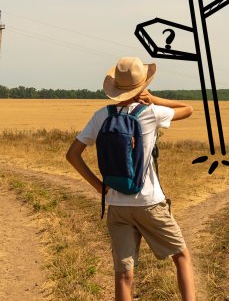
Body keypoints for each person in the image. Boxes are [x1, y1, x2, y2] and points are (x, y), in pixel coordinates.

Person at [66, 56, 196, 301]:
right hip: (149, 203)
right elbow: (188, 109)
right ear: (142, 86)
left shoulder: (101, 116)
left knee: (124, 275)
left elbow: (72, 154)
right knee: (181, 257)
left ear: (115, 89)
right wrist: (154, 99)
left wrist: (98, 186)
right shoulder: (152, 113)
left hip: (117, 206)